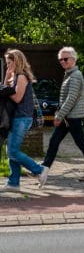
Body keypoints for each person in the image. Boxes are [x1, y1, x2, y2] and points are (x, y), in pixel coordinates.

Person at [41, 47, 84, 184]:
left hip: (73, 117)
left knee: (81, 143)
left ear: (74, 59)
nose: (62, 61)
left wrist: (59, 116)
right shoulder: (69, 74)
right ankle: (43, 168)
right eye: (60, 59)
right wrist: (60, 113)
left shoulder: (75, 75)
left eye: (65, 59)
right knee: (54, 141)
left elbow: (71, 98)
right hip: (68, 117)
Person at [1, 49, 48, 191]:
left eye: (9, 63)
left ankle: (39, 169)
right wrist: (7, 77)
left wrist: (6, 90)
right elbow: (5, 90)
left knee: (12, 151)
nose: (8, 66)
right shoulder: (15, 76)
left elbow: (17, 98)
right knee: (12, 150)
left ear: (17, 61)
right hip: (17, 117)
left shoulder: (21, 76)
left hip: (22, 118)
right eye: (7, 63)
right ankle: (13, 183)